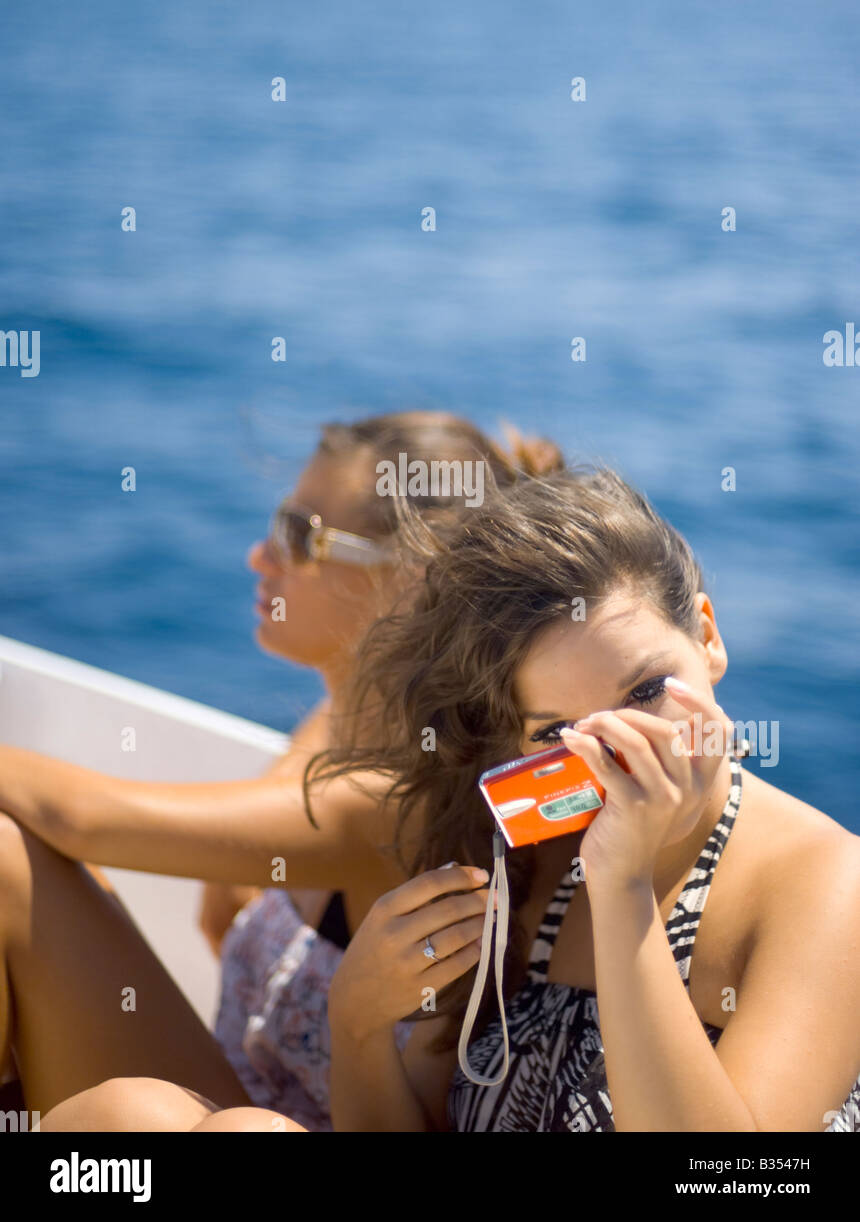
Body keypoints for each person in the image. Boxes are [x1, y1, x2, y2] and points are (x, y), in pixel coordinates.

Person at [37, 464, 860, 1133]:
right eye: (558, 731)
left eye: (647, 689)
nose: (620, 751)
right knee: (126, 1117)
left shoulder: (824, 881)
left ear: (708, 637)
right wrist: (359, 1027)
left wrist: (621, 887)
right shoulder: (529, 842)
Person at [0, 411, 562, 1128]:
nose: (260, 556)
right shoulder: (333, 727)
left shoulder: (397, 801)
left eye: (300, 537)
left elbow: (75, 817)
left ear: (408, 582)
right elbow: (249, 849)